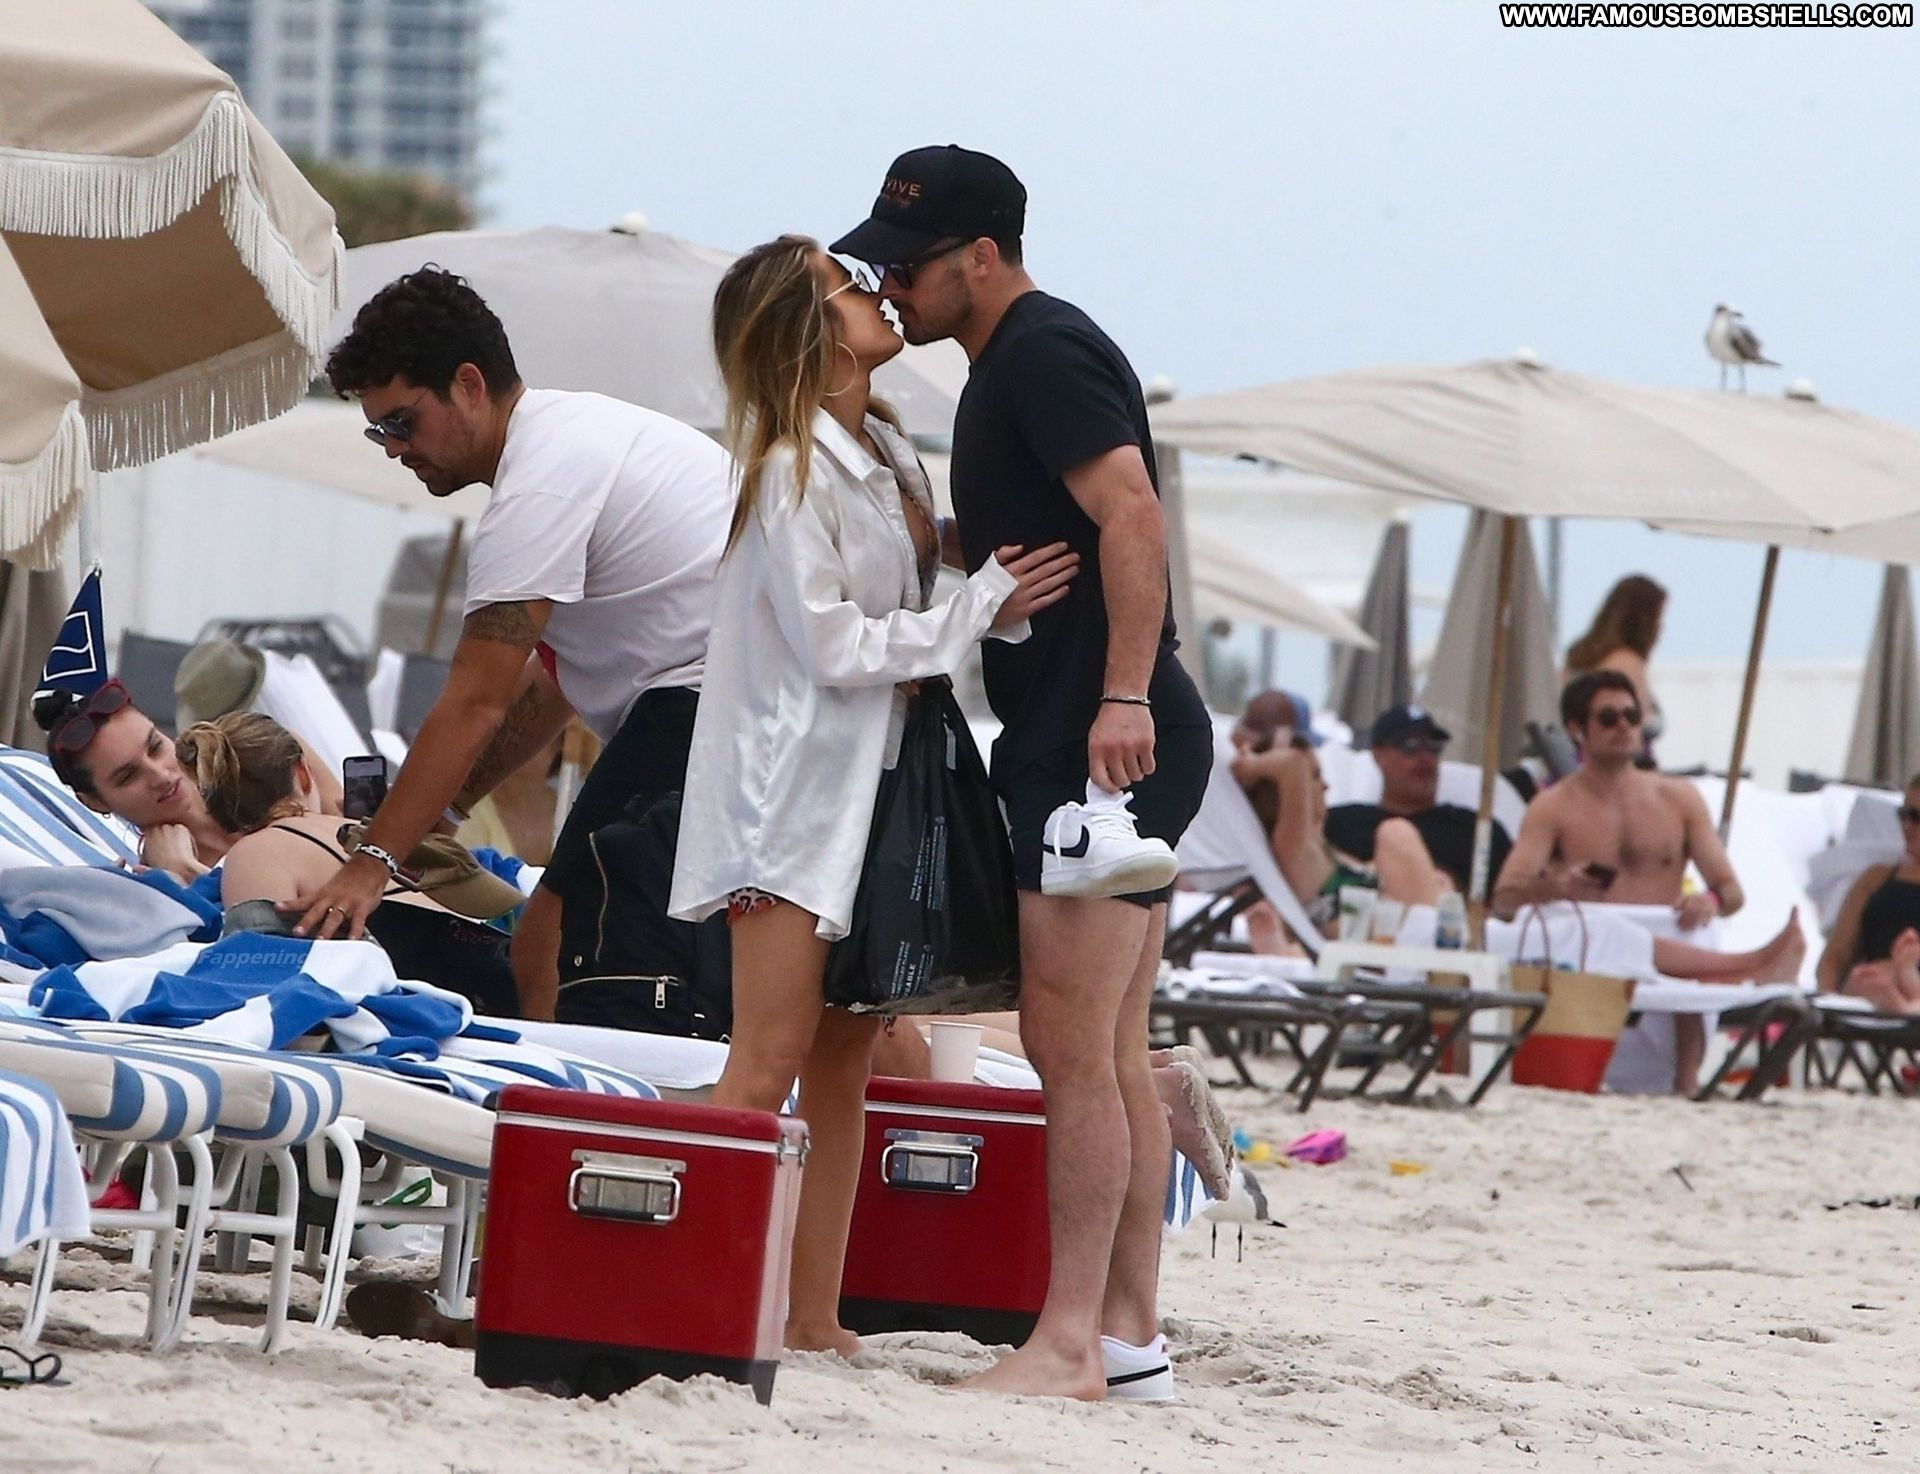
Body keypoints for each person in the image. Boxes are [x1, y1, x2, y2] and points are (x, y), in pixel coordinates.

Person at [834, 145, 1214, 1401]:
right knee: (1111, 1045)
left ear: (983, 256)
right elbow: (1043, 532)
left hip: (1100, 732)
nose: (893, 286)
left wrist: (1119, 694)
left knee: (1070, 1047)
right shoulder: (1013, 365)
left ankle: (1066, 1343)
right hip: (1094, 724)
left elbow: (1134, 512)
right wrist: (942, 545)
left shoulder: (1042, 351)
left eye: (910, 264)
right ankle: (1128, 1337)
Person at [668, 236, 1076, 1357]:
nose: (875, 289)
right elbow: (835, 643)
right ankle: (690, 1291)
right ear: (808, 329)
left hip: (863, 791)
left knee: (844, 1063)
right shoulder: (788, 470)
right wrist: (980, 603)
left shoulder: (886, 450)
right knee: (768, 1055)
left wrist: (978, 595)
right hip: (784, 799)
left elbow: (887, 623)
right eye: (848, 283)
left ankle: (813, 1312)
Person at [294, 267, 734, 1022]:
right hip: (749, 702)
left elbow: (476, 702)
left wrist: (371, 865)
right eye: (377, 431)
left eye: (402, 421)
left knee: (548, 946)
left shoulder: (539, 487)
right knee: (807, 978)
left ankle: (558, 1100)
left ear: (470, 385)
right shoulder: (575, 435)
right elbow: (555, 686)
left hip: (709, 704)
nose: (393, 448)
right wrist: (445, 808)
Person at [1492, 670, 1747, 1093]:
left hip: (1666, 937)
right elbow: (1504, 898)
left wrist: (1709, 901)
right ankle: (1749, 965)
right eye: (1608, 718)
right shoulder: (1553, 807)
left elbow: (1732, 892)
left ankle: (1686, 1079)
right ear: (1577, 730)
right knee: (1607, 932)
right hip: (1595, 950)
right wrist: (1558, 888)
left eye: (1632, 716)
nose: (1624, 727)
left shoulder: (1679, 799)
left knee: (1696, 930)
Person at [178, 712, 522, 1015]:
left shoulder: (256, 855)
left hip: (449, 998)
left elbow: (259, 988)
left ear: (215, 810)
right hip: (518, 968)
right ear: (304, 773)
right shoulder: (388, 837)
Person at [34, 681, 237, 884]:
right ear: (95, 802)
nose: (161, 776)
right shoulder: (148, 893)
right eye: (128, 776)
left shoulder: (251, 775)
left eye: (155, 747)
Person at [1322, 705, 1511, 895]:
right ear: (1378, 756)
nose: (1425, 757)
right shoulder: (1339, 824)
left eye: (1434, 746)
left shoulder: (1477, 830)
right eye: (1410, 746)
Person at [1816, 775, 1920, 1003]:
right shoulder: (1877, 877)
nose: (1907, 826)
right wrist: (1827, 998)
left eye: (1916, 817)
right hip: (1870, 991)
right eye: (1903, 815)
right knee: (1872, 981)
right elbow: (1837, 953)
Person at [1565, 575, 1667, 764]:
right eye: (1659, 618)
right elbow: (1640, 722)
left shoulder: (1579, 656)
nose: (1662, 627)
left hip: (1580, 764)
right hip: (1620, 768)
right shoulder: (1627, 662)